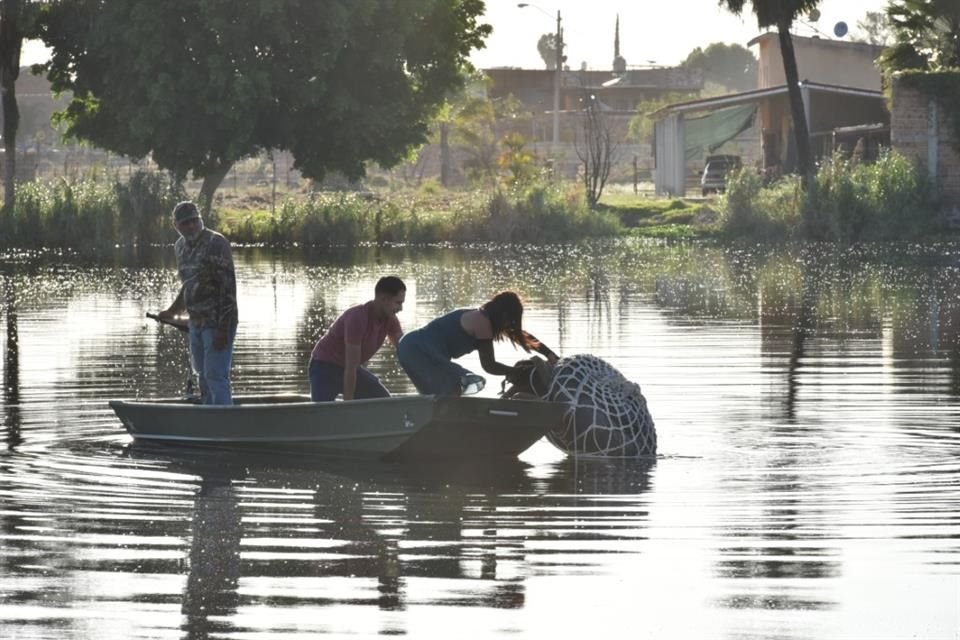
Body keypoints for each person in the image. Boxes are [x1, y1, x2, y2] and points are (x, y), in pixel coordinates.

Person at [397, 291, 558, 396]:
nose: (510, 324)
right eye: (511, 319)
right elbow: (489, 365)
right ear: (503, 314)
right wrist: (517, 372)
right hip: (418, 349)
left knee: (443, 393)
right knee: (448, 392)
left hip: (412, 347)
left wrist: (549, 354)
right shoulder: (482, 323)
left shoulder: (483, 317)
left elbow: (521, 335)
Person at [157, 201, 238, 405]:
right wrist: (172, 310)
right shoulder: (180, 247)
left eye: (194, 221)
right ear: (176, 226)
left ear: (200, 220)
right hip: (196, 323)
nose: (191, 226)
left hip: (218, 322)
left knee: (215, 375)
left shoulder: (216, 243)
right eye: (185, 223)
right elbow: (188, 285)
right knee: (202, 376)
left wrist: (222, 328)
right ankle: (208, 419)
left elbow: (228, 289)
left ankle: (223, 422)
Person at [309, 276, 406, 401]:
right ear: (384, 299)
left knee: (384, 401)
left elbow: (405, 349)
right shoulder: (356, 317)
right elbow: (351, 366)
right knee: (322, 413)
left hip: (348, 368)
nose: (401, 308)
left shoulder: (391, 320)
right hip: (324, 367)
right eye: (398, 303)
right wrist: (349, 403)